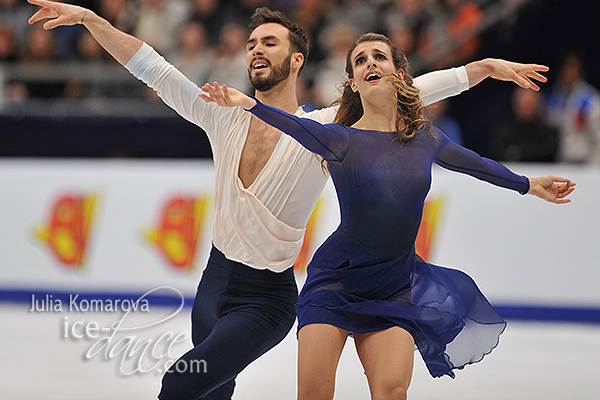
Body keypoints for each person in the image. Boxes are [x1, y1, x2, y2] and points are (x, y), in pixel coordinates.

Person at [27, 0, 551, 400]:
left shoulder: (326, 128)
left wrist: (479, 70)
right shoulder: (221, 113)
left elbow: (399, 88)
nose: (256, 49)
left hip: (267, 300)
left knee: (180, 382)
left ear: (296, 59)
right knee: (211, 391)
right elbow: (152, 67)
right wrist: (93, 20)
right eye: (252, 42)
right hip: (213, 284)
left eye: (270, 42)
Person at [199, 33, 574, 399]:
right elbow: (296, 125)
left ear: (399, 75)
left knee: (392, 391)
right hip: (334, 284)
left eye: (379, 56)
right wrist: (248, 105)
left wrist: (528, 184)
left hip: (392, 287)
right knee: (314, 394)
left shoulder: (426, 138)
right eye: (360, 61)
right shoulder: (340, 138)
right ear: (354, 84)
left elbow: (478, 165)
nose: (369, 63)